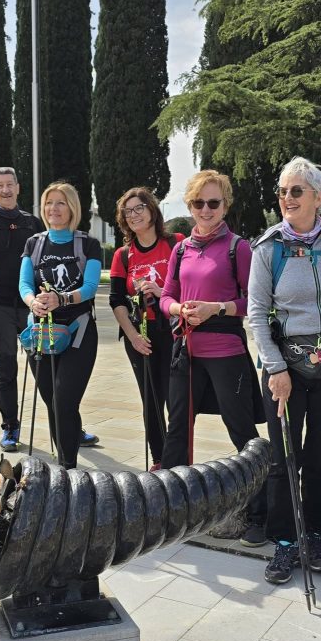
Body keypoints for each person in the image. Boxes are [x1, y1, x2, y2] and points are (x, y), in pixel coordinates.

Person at [248, 157, 321, 584]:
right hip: (285, 371)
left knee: (320, 459)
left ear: (318, 196)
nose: (287, 198)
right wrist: (275, 368)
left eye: (296, 191)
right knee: (283, 459)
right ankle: (283, 542)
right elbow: (256, 314)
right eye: (282, 191)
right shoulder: (269, 246)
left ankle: (314, 535)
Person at [0, 167, 99, 452]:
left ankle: (69, 425)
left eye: (10, 184)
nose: (5, 190)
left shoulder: (34, 225)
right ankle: (10, 427)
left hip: (37, 311)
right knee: (6, 368)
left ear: (18, 188)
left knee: (53, 378)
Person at [159, 170, 265, 545]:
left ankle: (258, 512)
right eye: (198, 203)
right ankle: (169, 508)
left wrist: (214, 308)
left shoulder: (239, 248)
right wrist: (178, 311)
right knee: (177, 430)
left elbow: (252, 303)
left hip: (225, 351)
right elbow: (165, 296)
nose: (206, 209)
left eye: (213, 202)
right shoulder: (180, 248)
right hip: (185, 351)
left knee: (241, 432)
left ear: (225, 205)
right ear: (189, 205)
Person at [19, 181, 102, 469]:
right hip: (42, 334)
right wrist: (33, 302)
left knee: (64, 402)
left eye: (60, 202)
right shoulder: (34, 243)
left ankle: (68, 468)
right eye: (49, 202)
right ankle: (63, 459)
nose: (53, 208)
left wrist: (61, 299)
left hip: (79, 333)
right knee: (52, 403)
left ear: (72, 208)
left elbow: (91, 286)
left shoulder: (88, 244)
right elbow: (24, 284)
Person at [109, 188, 184, 471]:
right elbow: (116, 300)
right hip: (140, 334)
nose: (134, 215)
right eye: (127, 211)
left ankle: (179, 457)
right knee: (151, 399)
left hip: (174, 330)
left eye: (139, 207)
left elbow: (190, 286)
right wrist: (133, 336)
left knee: (177, 399)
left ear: (152, 210)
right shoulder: (123, 255)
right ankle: (160, 459)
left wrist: (162, 291)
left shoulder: (176, 243)